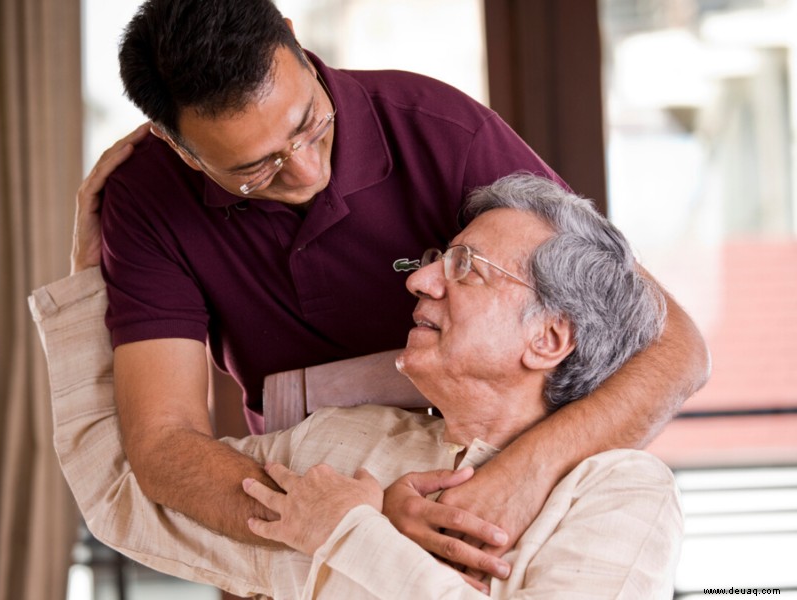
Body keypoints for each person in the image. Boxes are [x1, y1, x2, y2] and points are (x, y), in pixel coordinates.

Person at [79, 0, 708, 575]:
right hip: (300, 503)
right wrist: (364, 522)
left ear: (295, 43)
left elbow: (673, 345)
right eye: (254, 168)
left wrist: (526, 473)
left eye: (310, 125)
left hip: (490, 470)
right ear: (176, 145)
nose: (304, 169)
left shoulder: (439, 130)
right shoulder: (148, 197)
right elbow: (162, 446)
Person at [35, 174, 683, 598]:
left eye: (465, 267)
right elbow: (131, 490)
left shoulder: (620, 491)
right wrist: (100, 269)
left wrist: (349, 534)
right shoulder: (339, 447)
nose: (420, 282)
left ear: (548, 339)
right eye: (437, 260)